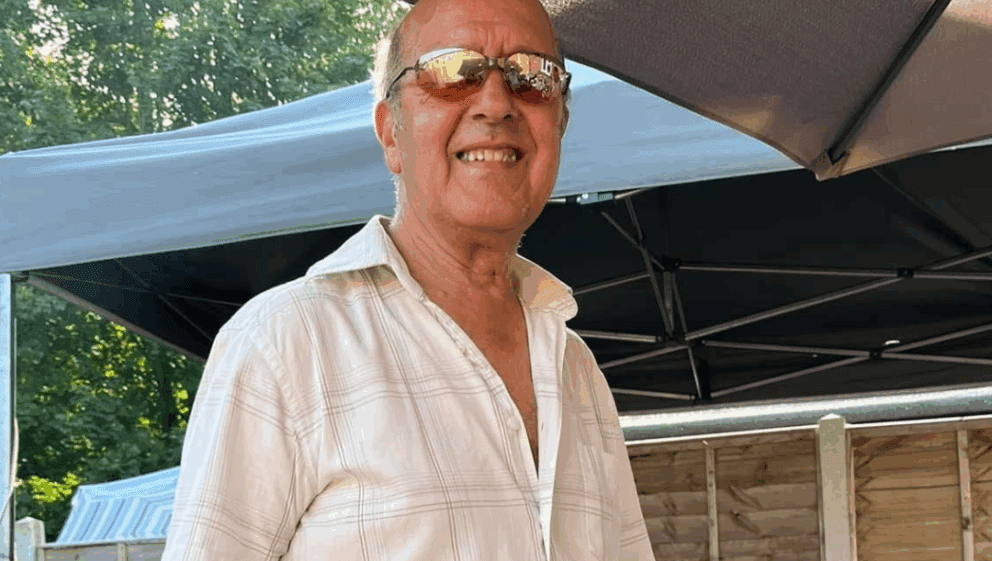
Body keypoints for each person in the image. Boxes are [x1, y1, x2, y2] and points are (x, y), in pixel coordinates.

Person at [161, 0, 655, 559]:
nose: (496, 101)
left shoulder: (577, 369)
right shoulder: (284, 345)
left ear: (559, 124)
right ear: (390, 132)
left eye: (532, 75)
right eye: (451, 70)